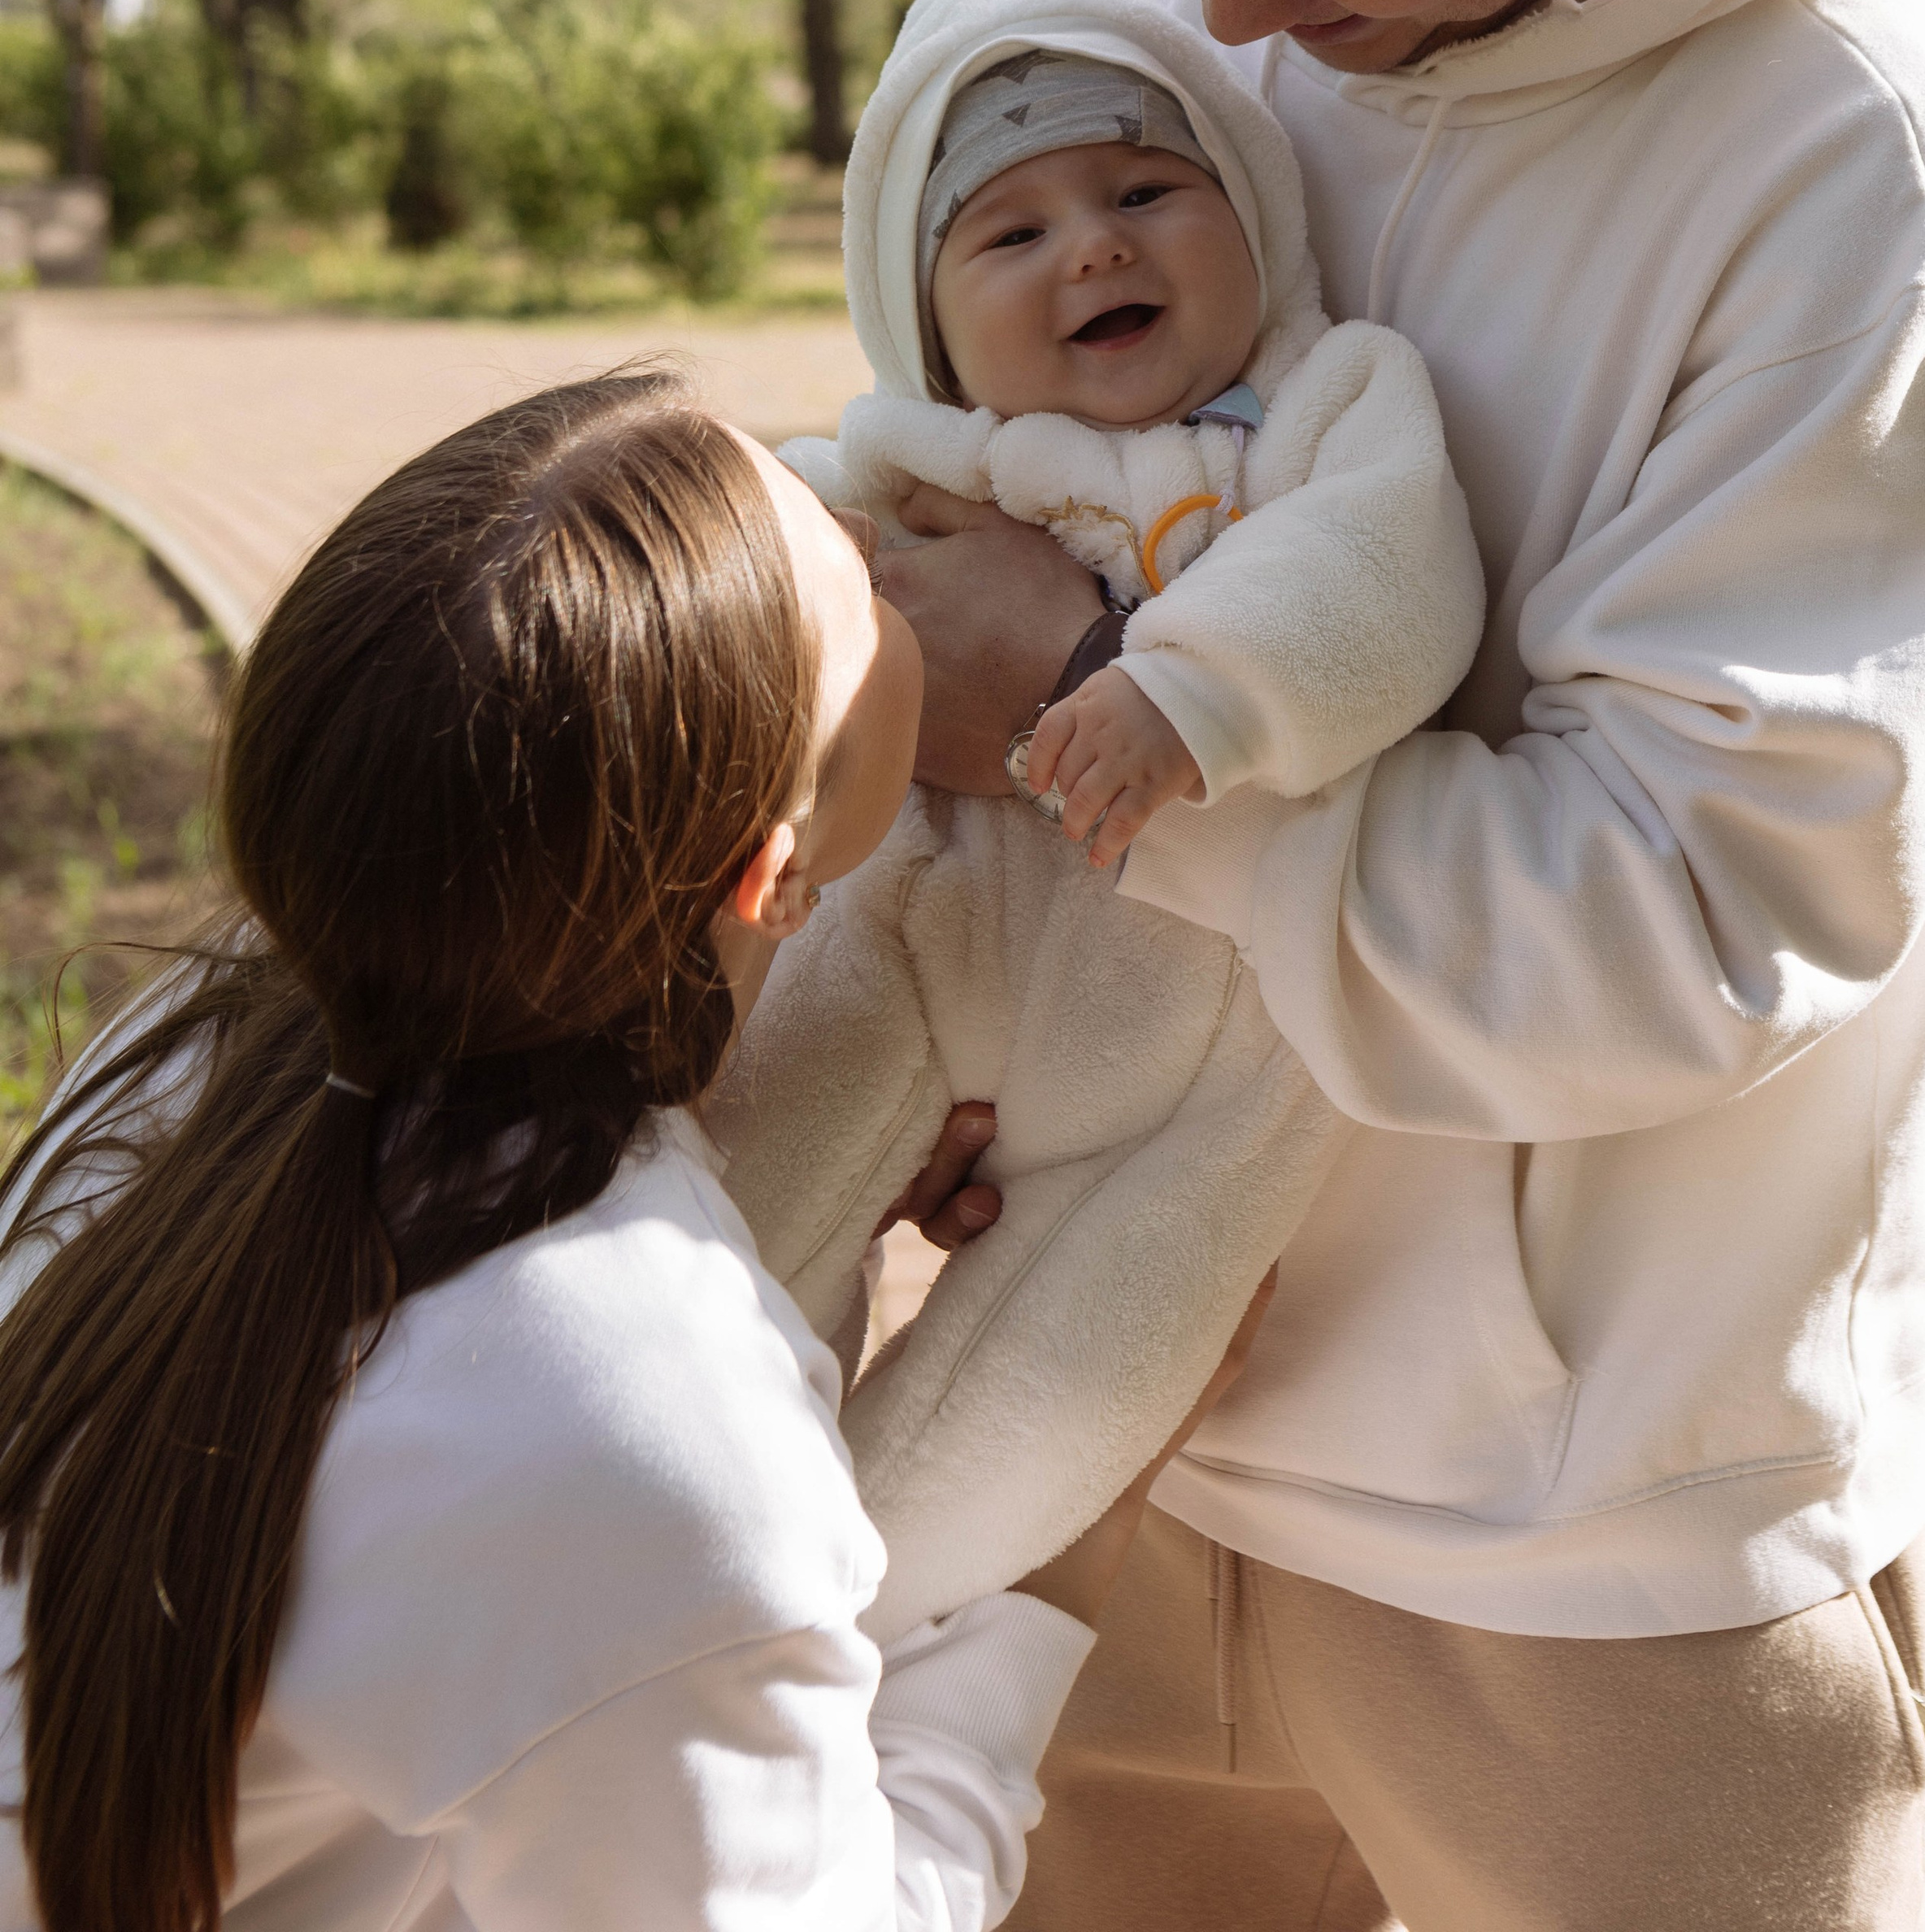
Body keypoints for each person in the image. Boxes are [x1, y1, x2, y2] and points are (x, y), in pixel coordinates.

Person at [867, 0, 1925, 1930]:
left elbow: (1685, 928)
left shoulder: (1890, 189)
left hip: (1592, 1557)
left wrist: (1087, 732)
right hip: (1092, 1436)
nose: (1217, 17)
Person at [0, 372, 1262, 1932]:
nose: (872, 528)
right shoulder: (643, 1426)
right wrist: (1066, 1538)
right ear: (774, 874)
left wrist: (811, 1218)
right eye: (855, 586)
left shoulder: (187, 1051)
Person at [706, 0, 1482, 1637]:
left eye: (1144, 188)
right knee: (737, 1202)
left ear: (1250, 216)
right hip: (913, 945)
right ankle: (664, 1504)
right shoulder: (906, 465)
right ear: (925, 319)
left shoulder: (1321, 407)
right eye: (1012, 230)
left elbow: (1388, 578)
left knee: (1077, 1356)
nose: (1097, 245)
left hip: (1211, 1052)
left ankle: (852, 1601)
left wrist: (1179, 686)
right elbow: (738, 590)